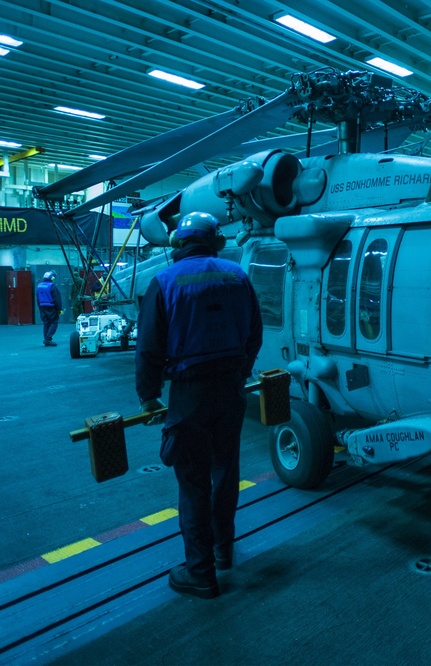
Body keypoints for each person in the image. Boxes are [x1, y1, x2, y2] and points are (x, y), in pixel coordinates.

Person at [135, 212, 263, 599]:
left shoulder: (164, 281)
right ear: (217, 242)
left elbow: (149, 347)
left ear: (178, 244)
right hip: (231, 390)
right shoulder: (238, 276)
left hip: (189, 395)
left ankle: (200, 573)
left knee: (193, 480)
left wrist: (148, 396)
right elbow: (254, 333)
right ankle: (223, 551)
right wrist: (241, 372)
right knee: (225, 472)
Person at [35, 271, 63, 346]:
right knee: (54, 322)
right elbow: (57, 298)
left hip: (42, 307)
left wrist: (40, 307)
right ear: (52, 277)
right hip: (51, 307)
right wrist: (60, 309)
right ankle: (48, 339)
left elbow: (38, 298)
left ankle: (46, 339)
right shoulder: (52, 286)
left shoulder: (39, 285)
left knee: (46, 323)